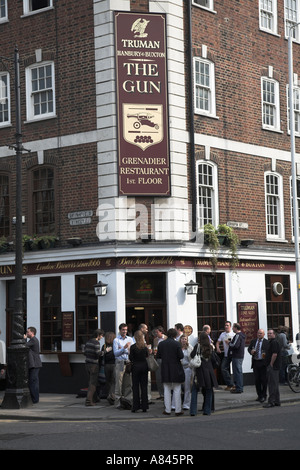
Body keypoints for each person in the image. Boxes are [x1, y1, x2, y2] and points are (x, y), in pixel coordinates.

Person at [157, 328, 185, 416]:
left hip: (165, 368)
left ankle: (167, 410)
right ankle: (178, 410)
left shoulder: (161, 344)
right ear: (175, 335)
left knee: (166, 389)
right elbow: (181, 356)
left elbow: (158, 356)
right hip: (176, 368)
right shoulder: (177, 344)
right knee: (177, 389)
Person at [190, 332, 218, 416]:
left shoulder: (197, 346)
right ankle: (207, 410)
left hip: (199, 371)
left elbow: (192, 355)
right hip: (208, 371)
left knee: (195, 390)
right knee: (209, 390)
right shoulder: (210, 347)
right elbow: (214, 360)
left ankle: (193, 411)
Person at [113, 323, 134, 409]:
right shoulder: (116, 340)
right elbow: (115, 353)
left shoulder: (130, 339)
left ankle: (128, 401)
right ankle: (118, 403)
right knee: (119, 383)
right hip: (120, 362)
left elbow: (131, 351)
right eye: (123, 330)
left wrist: (123, 349)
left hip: (128, 362)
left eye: (126, 330)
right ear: (120, 330)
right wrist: (124, 348)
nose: (125, 331)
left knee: (128, 383)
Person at [129, 330, 149, 413]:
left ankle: (135, 406)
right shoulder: (145, 347)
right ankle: (144, 406)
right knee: (144, 387)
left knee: (135, 387)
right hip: (144, 367)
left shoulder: (133, 347)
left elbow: (131, 358)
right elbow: (147, 356)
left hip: (136, 367)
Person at [83, 328, 104, 406]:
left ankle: (95, 398)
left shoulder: (88, 342)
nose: (102, 337)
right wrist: (105, 351)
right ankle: (89, 401)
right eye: (101, 336)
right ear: (98, 335)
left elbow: (84, 352)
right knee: (93, 384)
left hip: (87, 364)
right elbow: (98, 353)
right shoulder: (96, 343)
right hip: (94, 365)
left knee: (90, 382)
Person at [248, 329, 269, 403]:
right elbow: (249, 348)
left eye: (261, 333)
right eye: (258, 333)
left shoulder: (266, 342)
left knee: (264, 380)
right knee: (257, 380)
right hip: (255, 362)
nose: (259, 334)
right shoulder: (254, 341)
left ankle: (264, 395)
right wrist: (251, 351)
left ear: (264, 334)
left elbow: (269, 351)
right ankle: (259, 395)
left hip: (263, 363)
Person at [263, 329, 281, 408]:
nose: (269, 334)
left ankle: (271, 402)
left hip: (273, 366)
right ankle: (277, 401)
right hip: (274, 366)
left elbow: (274, 354)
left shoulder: (274, 342)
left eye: (270, 333)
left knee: (272, 384)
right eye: (268, 333)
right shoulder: (271, 342)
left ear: (274, 334)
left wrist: (271, 364)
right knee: (275, 384)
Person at [26, 327, 42, 404]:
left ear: (32, 332)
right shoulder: (32, 340)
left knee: (33, 382)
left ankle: (35, 399)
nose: (26, 333)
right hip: (34, 364)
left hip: (35, 364)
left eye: (27, 332)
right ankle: (34, 399)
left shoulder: (33, 340)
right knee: (33, 382)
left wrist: (23, 339)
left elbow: (23, 345)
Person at [216, 321, 235, 390]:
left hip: (233, 355)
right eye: (225, 325)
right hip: (226, 355)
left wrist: (230, 343)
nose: (226, 327)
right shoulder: (222, 334)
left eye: (227, 325)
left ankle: (236, 385)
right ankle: (230, 384)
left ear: (230, 326)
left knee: (235, 369)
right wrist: (218, 348)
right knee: (223, 368)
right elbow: (218, 342)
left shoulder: (233, 334)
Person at [228, 323, 245, 394]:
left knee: (237, 372)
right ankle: (239, 387)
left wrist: (229, 343)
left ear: (235, 328)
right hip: (239, 356)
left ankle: (239, 388)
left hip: (237, 356)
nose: (232, 329)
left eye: (233, 327)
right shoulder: (241, 335)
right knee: (238, 372)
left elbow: (235, 345)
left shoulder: (238, 335)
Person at [177, 334, 193, 410]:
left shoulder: (190, 348)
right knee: (177, 387)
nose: (184, 340)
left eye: (185, 339)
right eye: (182, 339)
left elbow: (193, 358)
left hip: (187, 368)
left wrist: (190, 365)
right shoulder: (178, 348)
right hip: (179, 369)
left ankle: (186, 404)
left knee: (187, 388)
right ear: (180, 340)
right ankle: (177, 404)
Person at [102, 331, 116, 405]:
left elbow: (101, 356)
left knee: (108, 381)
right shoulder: (115, 345)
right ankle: (111, 396)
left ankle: (109, 395)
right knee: (114, 381)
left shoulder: (104, 346)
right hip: (114, 364)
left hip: (106, 365)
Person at [153, 326, 166, 400]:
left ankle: (166, 394)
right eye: (155, 332)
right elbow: (154, 348)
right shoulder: (155, 340)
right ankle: (161, 394)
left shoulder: (166, 338)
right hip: (158, 358)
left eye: (157, 332)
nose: (156, 333)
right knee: (158, 377)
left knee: (164, 376)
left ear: (161, 332)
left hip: (164, 359)